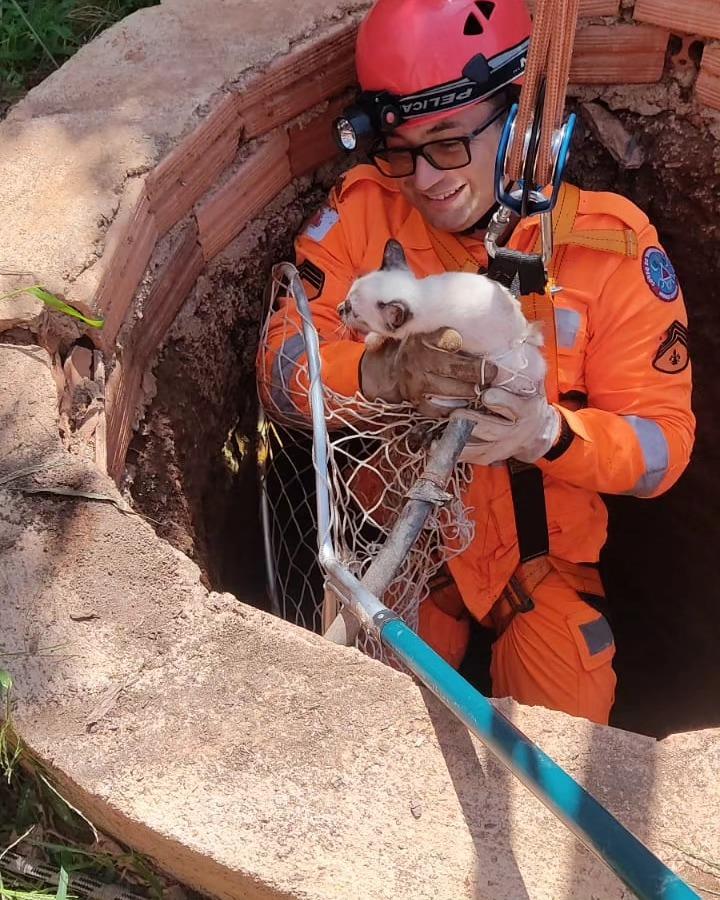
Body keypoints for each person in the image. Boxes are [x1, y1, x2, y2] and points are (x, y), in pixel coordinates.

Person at [263, 0, 695, 725]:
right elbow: (280, 371)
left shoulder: (608, 248)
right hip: (400, 556)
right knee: (352, 737)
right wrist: (378, 376)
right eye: (400, 147)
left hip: (542, 568)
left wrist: (548, 434)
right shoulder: (365, 212)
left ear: (521, 122)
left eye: (447, 142)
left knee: (559, 756)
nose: (425, 178)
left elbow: (662, 449)